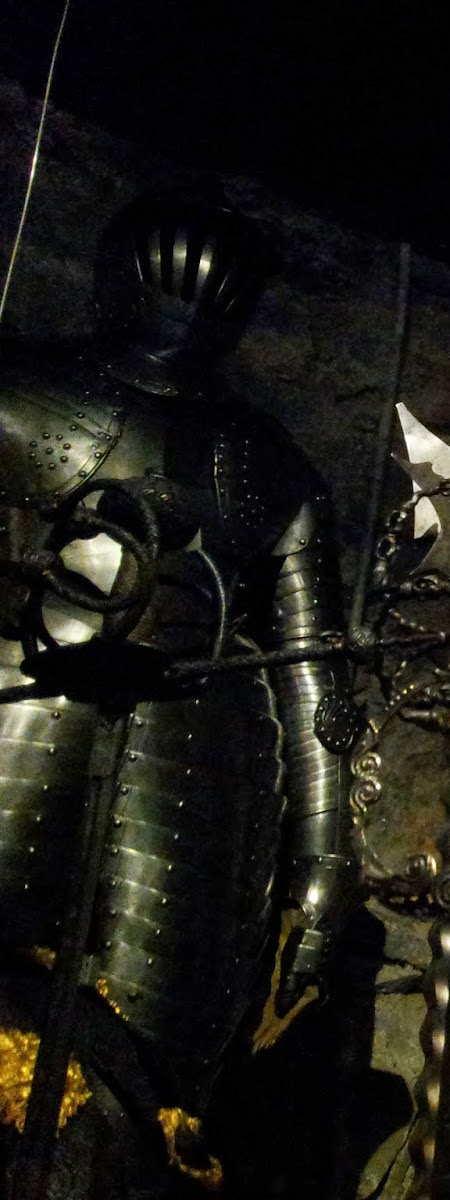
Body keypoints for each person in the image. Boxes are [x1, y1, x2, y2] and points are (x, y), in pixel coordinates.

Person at [0, 189, 354, 1197]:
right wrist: (324, 863)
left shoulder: (271, 466)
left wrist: (324, 862)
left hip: (192, 750)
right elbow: (314, 677)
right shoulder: (18, 386)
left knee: (148, 1083)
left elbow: (310, 673)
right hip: (22, 687)